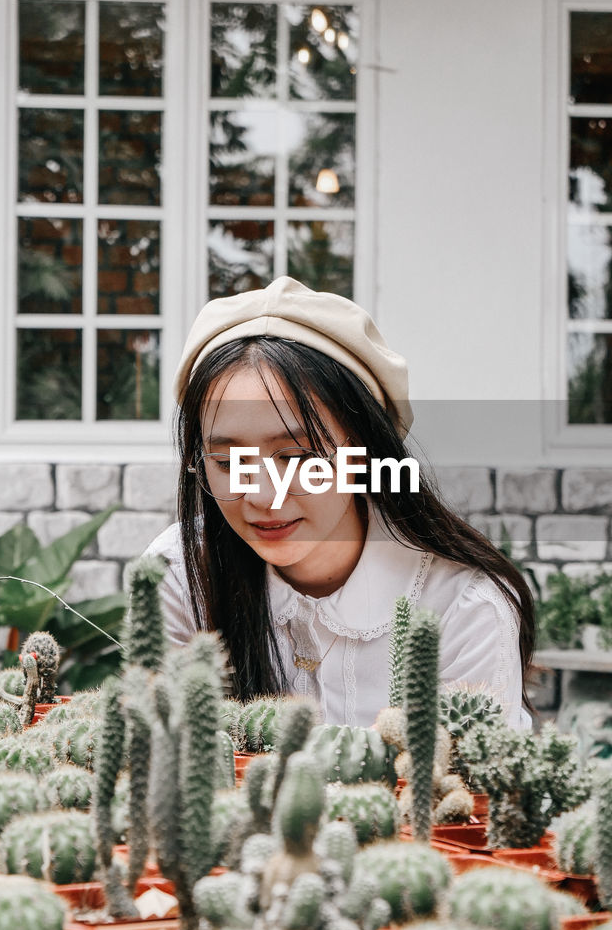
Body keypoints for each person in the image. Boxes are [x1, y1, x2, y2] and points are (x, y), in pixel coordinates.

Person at [147, 276, 535, 729]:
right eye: (228, 460)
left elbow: (467, 792)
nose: (261, 495)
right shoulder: (177, 576)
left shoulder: (461, 605)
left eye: (296, 457)